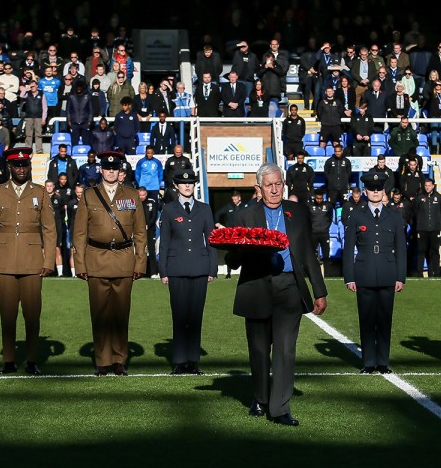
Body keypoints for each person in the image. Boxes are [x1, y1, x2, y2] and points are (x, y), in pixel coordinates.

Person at [225, 163, 328, 426]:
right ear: (258, 188)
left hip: (289, 287)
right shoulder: (243, 215)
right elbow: (233, 260)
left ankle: (280, 407)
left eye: (278, 183)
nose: (274, 189)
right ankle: (260, 398)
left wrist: (319, 290)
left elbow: (307, 252)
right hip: (256, 286)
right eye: (269, 185)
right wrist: (238, 247)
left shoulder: (297, 212)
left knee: (285, 349)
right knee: (259, 350)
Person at [0, 148, 57, 375]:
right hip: (4, 260)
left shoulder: (41, 192)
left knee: (32, 313)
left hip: (33, 260)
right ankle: (8, 360)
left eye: (25, 165)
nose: (21, 169)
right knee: (7, 313)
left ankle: (32, 360)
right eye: (17, 165)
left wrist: (49, 261)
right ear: (9, 167)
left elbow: (50, 229)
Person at [72, 152, 147, 376]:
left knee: (121, 313)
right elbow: (79, 233)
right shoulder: (89, 195)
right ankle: (102, 361)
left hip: (124, 259)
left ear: (120, 171)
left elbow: (141, 233)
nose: (111, 171)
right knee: (100, 313)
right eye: (107, 168)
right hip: (96, 258)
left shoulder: (132, 195)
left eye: (115, 168)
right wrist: (80, 265)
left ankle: (119, 360)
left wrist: (140, 263)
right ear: (101, 170)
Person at [343, 172, 406, 373]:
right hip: (364, 272)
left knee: (385, 320)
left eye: (379, 189)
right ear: (365, 191)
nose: (376, 192)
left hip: (388, 272)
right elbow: (348, 248)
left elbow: (401, 248)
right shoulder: (356, 215)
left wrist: (400, 276)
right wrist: (349, 277)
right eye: (372, 189)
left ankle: (383, 362)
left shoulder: (394, 215)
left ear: (384, 191)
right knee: (367, 320)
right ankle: (369, 363)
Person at [158, 169, 217, 375]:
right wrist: (163, 270)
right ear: (176, 186)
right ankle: (180, 361)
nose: (187, 186)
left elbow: (211, 240)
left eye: (191, 183)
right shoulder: (168, 209)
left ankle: (193, 361)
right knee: (179, 316)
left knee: (195, 316)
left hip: (200, 268)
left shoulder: (204, 208)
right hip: (176, 268)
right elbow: (164, 242)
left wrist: (212, 268)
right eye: (184, 184)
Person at [414, 179, 441, 277]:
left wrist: (437, 224)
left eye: (429, 185)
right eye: (426, 185)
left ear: (433, 186)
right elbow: (416, 212)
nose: (427, 187)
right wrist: (420, 225)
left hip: (434, 229)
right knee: (421, 251)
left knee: (434, 251)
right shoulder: (420, 198)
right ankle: (419, 273)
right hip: (422, 229)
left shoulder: (439, 197)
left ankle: (435, 273)